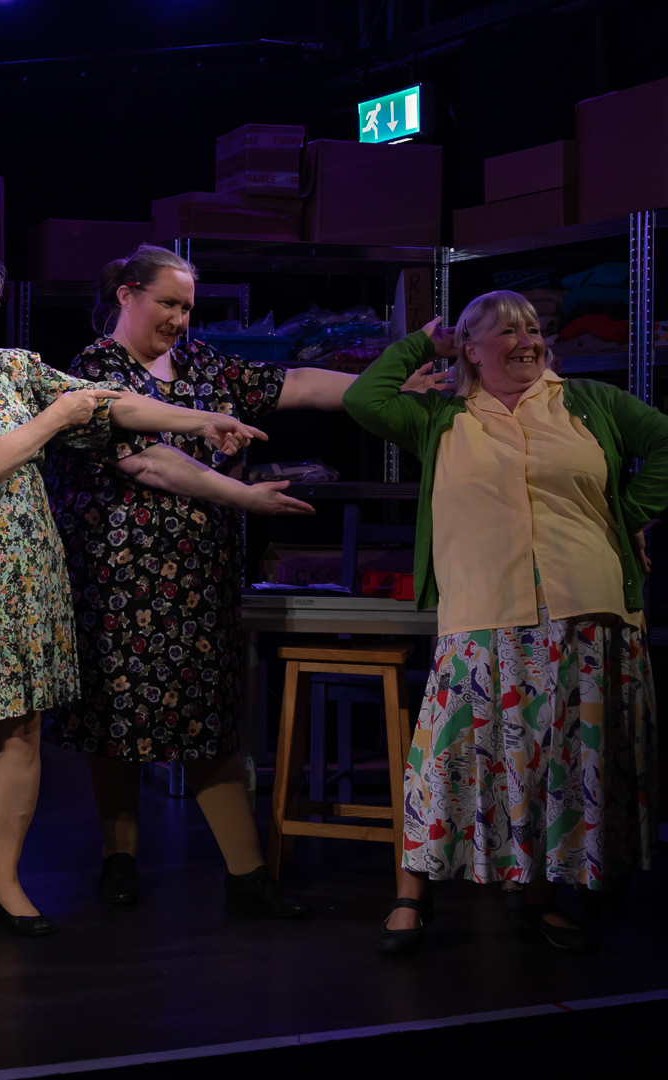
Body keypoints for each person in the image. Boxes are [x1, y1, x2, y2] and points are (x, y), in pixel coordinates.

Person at [0, 250, 266, 939]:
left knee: (24, 732)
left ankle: (6, 882)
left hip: (33, 572)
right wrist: (54, 418)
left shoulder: (9, 370)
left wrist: (197, 421)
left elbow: (110, 402)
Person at [41, 244, 438, 917]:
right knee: (116, 722)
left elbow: (299, 383)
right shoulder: (94, 371)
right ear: (127, 295)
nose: (179, 318)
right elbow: (148, 461)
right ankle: (119, 857)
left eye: (187, 307)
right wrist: (244, 496)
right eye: (168, 303)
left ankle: (246, 873)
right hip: (117, 578)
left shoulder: (205, 365)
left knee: (209, 720)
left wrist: (390, 385)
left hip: (201, 577)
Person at [344, 294, 668, 954]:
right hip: (483, 611)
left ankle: (542, 897)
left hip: (585, 607)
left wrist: (627, 514)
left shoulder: (587, 402)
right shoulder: (442, 416)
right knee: (445, 758)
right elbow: (363, 399)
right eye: (507, 330)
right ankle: (411, 893)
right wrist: (423, 342)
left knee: (557, 763)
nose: (527, 340)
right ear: (470, 349)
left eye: (534, 328)